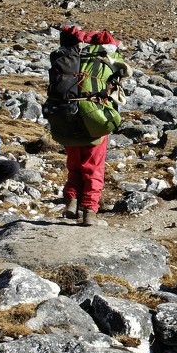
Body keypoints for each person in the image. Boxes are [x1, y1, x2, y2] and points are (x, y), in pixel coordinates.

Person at [49, 23, 127, 227]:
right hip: (94, 118)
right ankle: (89, 211)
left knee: (74, 164)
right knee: (93, 167)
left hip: (67, 115)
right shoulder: (107, 57)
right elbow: (124, 75)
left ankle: (71, 200)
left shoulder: (71, 57)